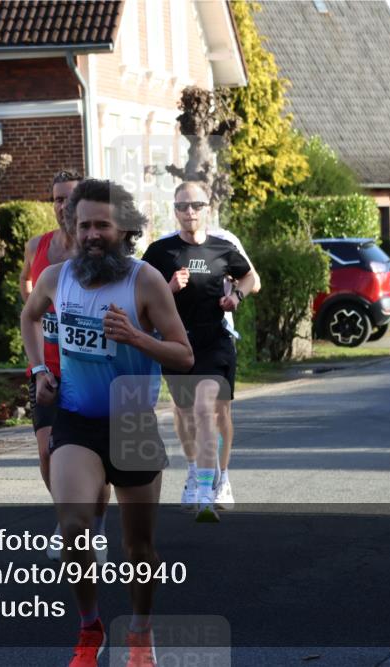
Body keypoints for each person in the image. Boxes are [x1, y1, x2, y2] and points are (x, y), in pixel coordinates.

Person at [21, 178, 193, 667]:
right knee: (75, 527)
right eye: (84, 225)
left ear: (124, 229)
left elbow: (183, 354)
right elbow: (29, 317)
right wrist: (39, 371)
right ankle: (89, 628)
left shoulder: (144, 281)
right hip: (77, 421)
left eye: (102, 225)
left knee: (138, 546)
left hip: (133, 421)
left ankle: (140, 633)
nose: (92, 234)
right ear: (72, 229)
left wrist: (137, 338)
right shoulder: (56, 277)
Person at [142, 181, 260, 521]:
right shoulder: (159, 252)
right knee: (185, 413)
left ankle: (214, 484)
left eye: (196, 205)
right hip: (176, 343)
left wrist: (236, 296)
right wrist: (168, 288)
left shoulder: (223, 248)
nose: (189, 212)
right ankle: (195, 469)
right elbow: (141, 295)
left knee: (211, 410)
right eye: (182, 206)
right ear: (175, 211)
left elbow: (249, 277)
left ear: (207, 208)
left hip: (214, 342)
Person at [20, 170, 110, 563]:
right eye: (56, 198)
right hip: (47, 369)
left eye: (69, 198)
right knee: (47, 453)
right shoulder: (37, 246)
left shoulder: (97, 250)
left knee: (95, 459)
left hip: (89, 370)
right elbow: (27, 285)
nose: (62, 205)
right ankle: (69, 518)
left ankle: (97, 524)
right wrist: (39, 314)